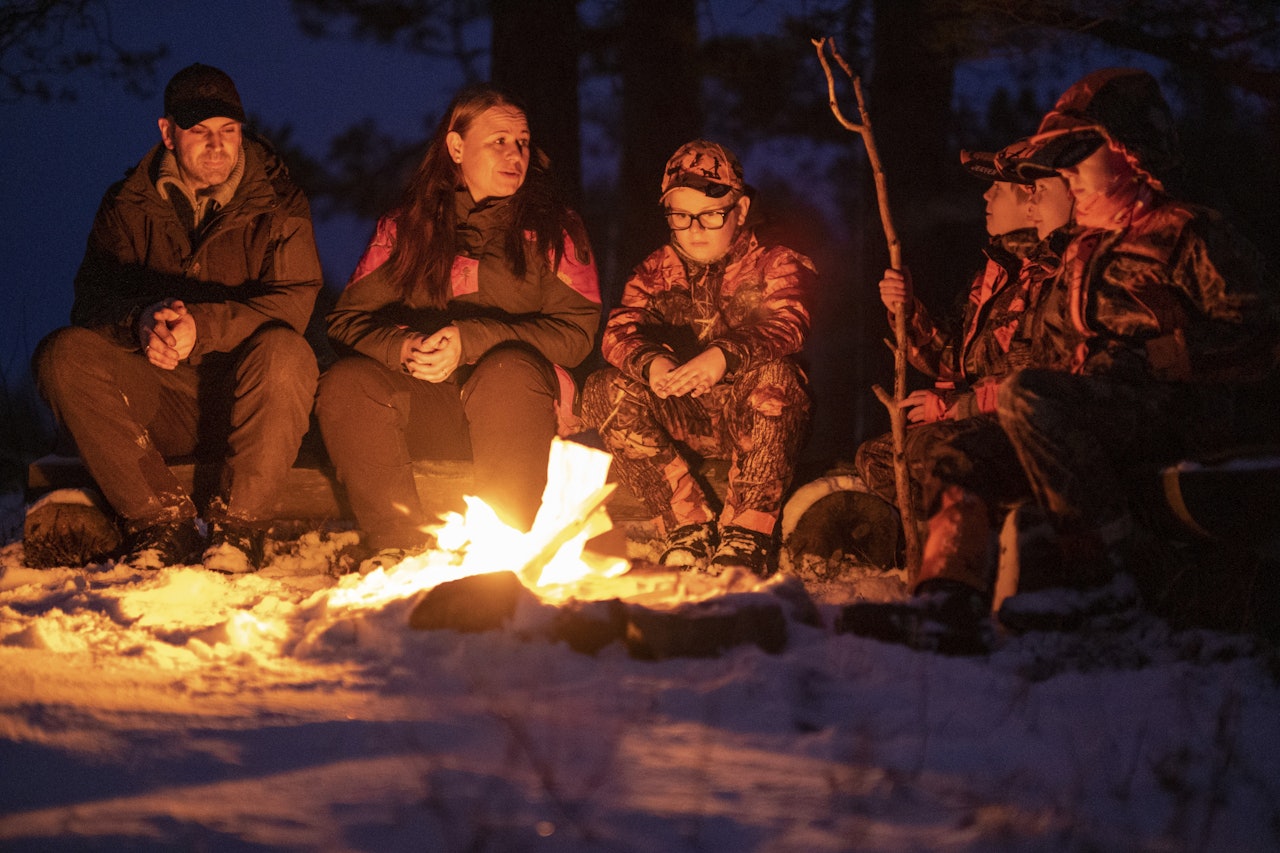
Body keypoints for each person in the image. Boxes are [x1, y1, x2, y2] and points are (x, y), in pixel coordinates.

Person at [841, 67, 1278, 654]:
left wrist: (1163, 354)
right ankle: (946, 602)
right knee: (958, 450)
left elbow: (1261, 336)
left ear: (1129, 154)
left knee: (1030, 396)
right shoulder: (1081, 252)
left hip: (1170, 412)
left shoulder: (1187, 232)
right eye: (1063, 160)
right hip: (1073, 413)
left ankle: (1110, 584)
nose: (1067, 173)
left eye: (1080, 156)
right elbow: (1043, 356)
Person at [32, 62, 323, 572]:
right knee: (63, 353)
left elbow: (294, 301)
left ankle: (239, 527)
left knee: (288, 352)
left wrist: (204, 328)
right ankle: (160, 522)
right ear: (168, 132)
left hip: (245, 401)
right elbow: (91, 303)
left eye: (228, 131)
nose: (217, 145)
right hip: (158, 399)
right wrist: (139, 321)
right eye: (200, 131)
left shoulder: (279, 204)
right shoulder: (127, 205)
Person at [315, 83, 601, 572]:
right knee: (346, 384)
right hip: (429, 402)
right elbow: (345, 320)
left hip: (517, 410)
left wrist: (474, 340)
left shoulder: (554, 228)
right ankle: (395, 549)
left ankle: (502, 552)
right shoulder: (407, 227)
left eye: (523, 142)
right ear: (455, 147)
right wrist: (401, 347)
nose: (516, 154)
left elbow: (577, 334)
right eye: (499, 141)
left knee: (508, 371)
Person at [581, 139, 816, 576]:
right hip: (685, 416)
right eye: (680, 215)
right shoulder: (654, 271)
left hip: (755, 420)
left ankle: (748, 531)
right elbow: (618, 331)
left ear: (740, 211)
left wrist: (722, 357)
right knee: (602, 389)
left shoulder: (775, 263)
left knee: (778, 376)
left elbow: (789, 323)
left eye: (711, 214)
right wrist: (653, 363)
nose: (695, 228)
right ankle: (685, 525)